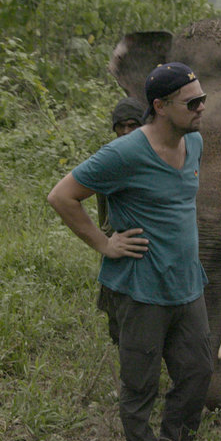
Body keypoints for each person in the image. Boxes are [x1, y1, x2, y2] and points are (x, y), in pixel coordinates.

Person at [47, 63, 213, 441]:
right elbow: (62, 196)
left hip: (187, 285)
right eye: (191, 102)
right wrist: (104, 244)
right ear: (159, 107)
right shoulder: (124, 153)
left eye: (202, 100)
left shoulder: (193, 143)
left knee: (198, 372)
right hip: (141, 289)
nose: (201, 108)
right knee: (140, 383)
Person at [96, 97, 145, 345]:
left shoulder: (154, 154)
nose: (126, 131)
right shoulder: (109, 158)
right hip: (117, 240)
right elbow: (101, 206)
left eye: (133, 125)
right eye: (121, 126)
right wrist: (105, 240)